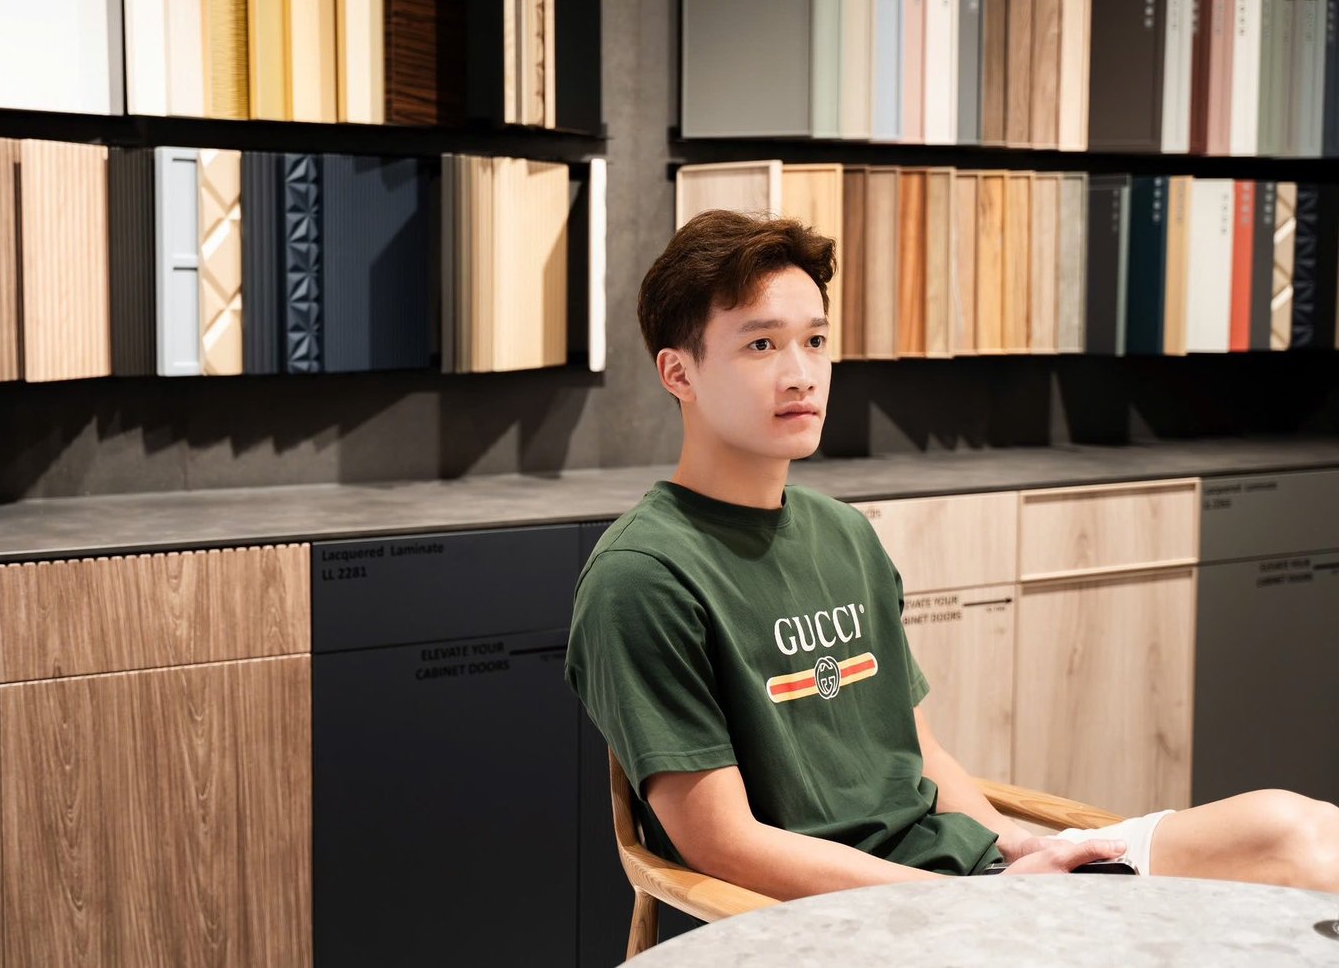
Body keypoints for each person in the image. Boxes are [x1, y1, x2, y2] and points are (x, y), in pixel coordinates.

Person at [563, 209, 1339, 897]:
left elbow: (921, 754)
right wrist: (971, 903)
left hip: (972, 880)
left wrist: (1024, 844)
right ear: (679, 372)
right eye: (761, 343)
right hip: (873, 917)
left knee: (1298, 832)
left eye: (815, 340)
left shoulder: (844, 533)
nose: (801, 374)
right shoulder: (644, 576)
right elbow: (722, 843)